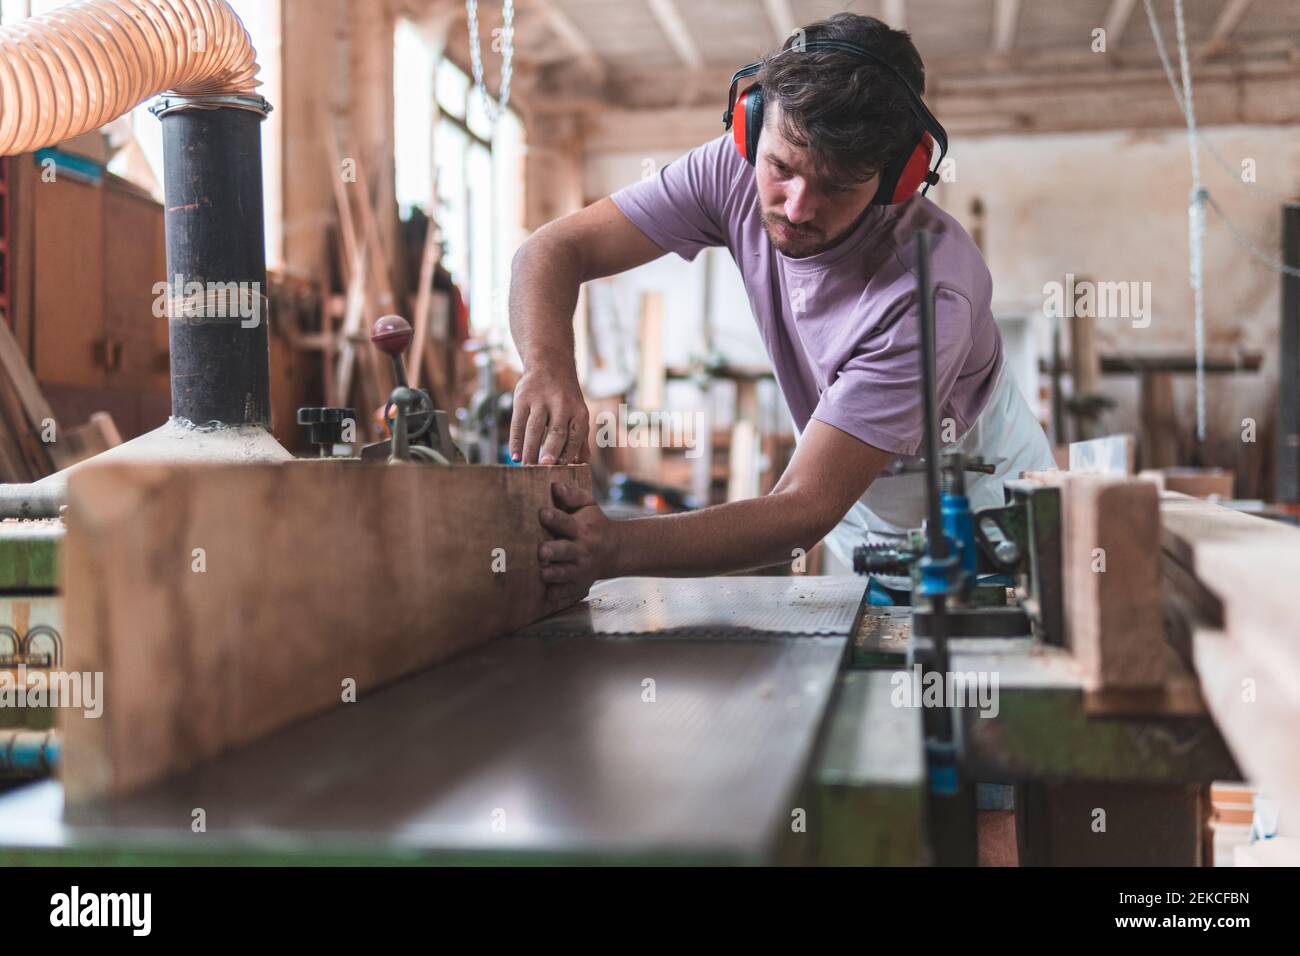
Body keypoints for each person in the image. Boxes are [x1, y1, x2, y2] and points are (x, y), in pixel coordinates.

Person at [506, 12, 1054, 610]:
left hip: (988, 530)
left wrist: (613, 550)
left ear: (899, 177)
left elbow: (801, 508)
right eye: (782, 169)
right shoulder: (731, 169)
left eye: (838, 186)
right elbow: (550, 249)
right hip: (861, 520)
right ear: (751, 128)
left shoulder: (927, 293)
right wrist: (548, 365)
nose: (796, 208)